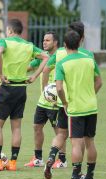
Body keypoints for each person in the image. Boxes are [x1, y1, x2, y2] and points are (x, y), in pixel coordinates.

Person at [0, 19, 49, 171]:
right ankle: (12, 163)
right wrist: (35, 76)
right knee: (16, 127)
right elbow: (46, 57)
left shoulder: (4, 42)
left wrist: (0, 74)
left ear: (10, 30)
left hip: (7, 88)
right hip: (21, 90)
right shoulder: (28, 45)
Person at [43, 21, 97, 179]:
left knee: (62, 134)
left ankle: (52, 156)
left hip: (63, 102)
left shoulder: (60, 53)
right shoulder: (89, 56)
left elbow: (46, 69)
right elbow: (97, 80)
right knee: (83, 141)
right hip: (84, 105)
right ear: (82, 38)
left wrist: (46, 90)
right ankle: (81, 174)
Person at [55, 30, 102, 179]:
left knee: (76, 144)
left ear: (65, 45)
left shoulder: (62, 63)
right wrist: (90, 95)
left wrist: (65, 102)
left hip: (75, 108)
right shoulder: (89, 59)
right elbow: (99, 81)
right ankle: (89, 177)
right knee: (90, 142)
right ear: (80, 43)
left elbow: (59, 88)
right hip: (91, 106)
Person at [24, 31, 67, 169]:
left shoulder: (61, 54)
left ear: (55, 42)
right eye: (44, 40)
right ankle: (38, 158)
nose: (44, 42)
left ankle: (62, 159)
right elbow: (28, 67)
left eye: (48, 40)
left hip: (56, 100)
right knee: (37, 127)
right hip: (43, 100)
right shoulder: (44, 56)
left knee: (58, 130)